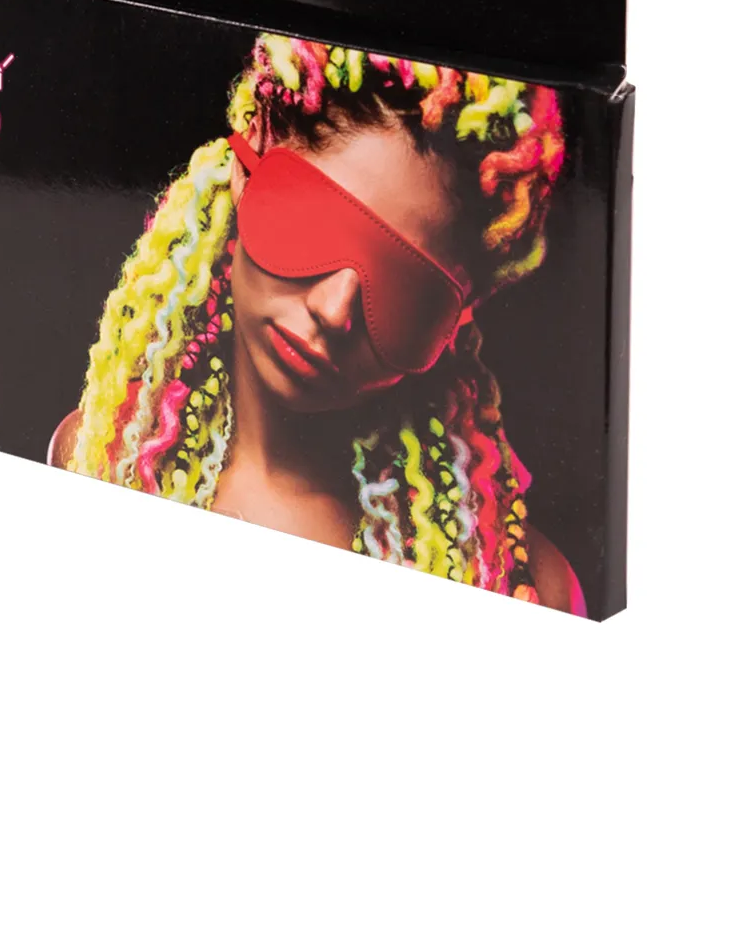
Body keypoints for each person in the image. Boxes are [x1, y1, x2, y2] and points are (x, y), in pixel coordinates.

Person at [48, 33, 585, 614]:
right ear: (245, 171)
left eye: (408, 290)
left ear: (458, 318)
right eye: (314, 222)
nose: (333, 311)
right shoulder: (98, 459)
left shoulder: (525, 588)